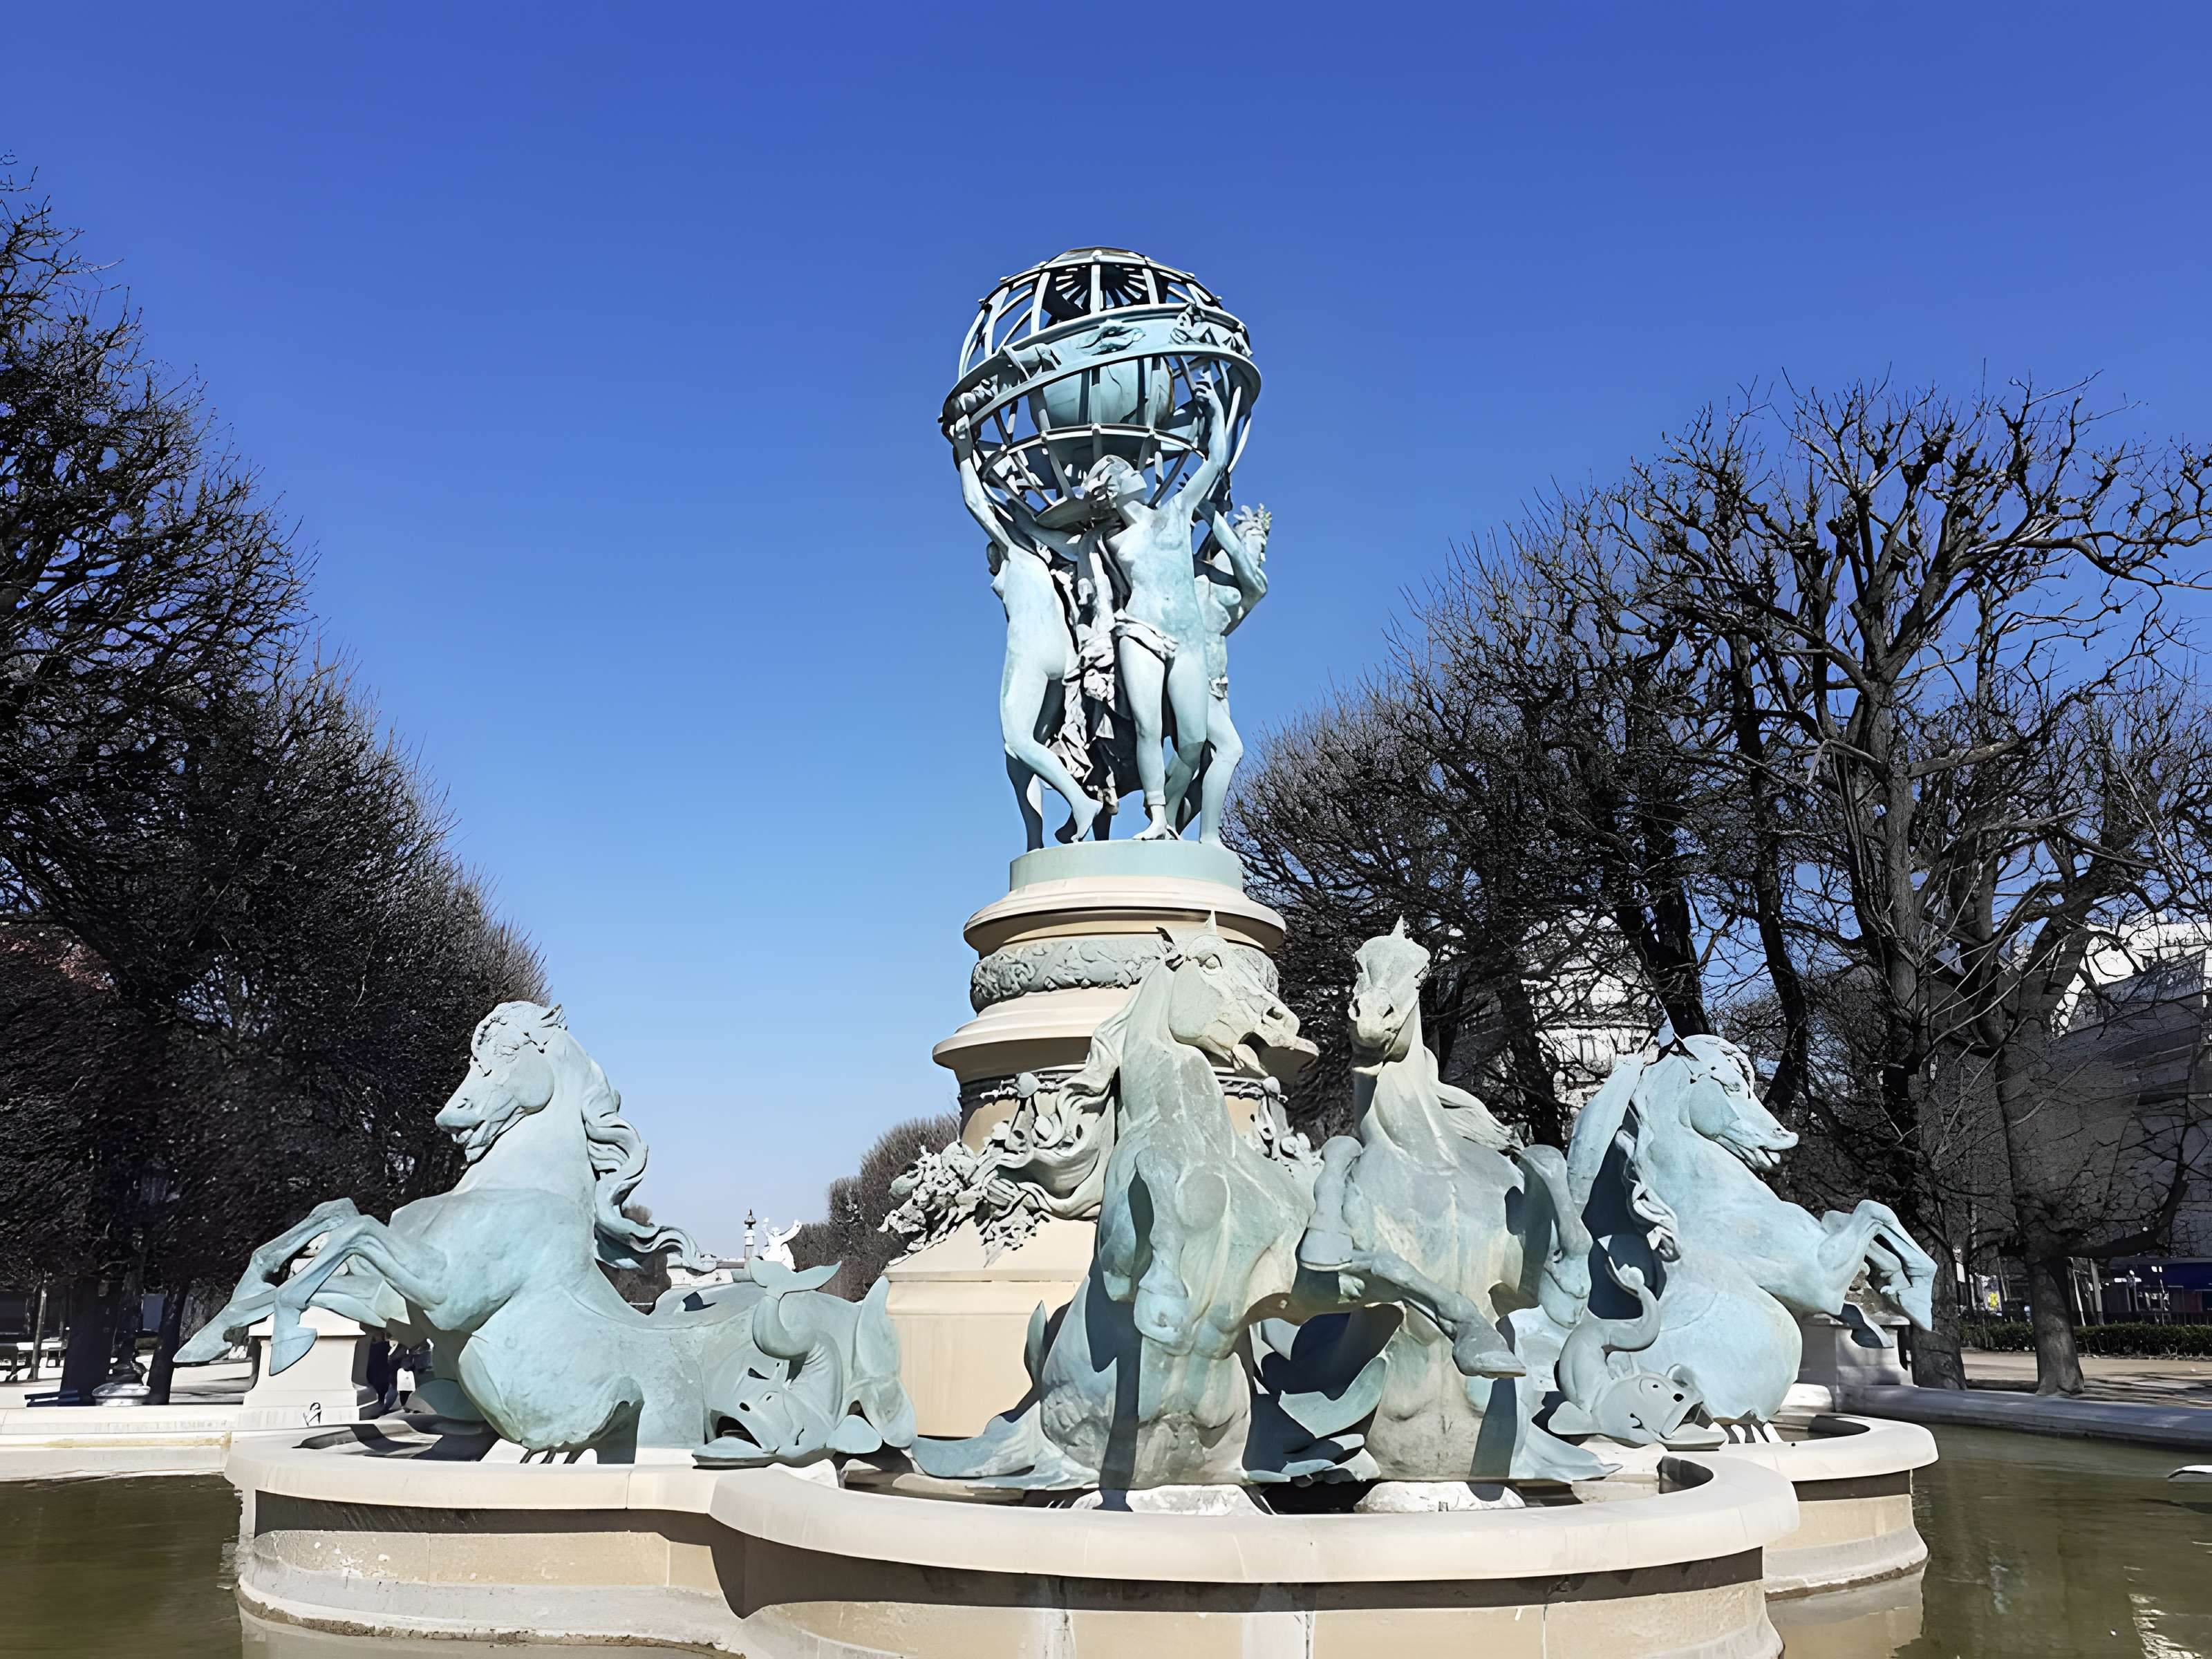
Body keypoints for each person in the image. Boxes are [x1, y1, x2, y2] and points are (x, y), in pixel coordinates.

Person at [1081, 374, 1237, 840]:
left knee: (1191, 742)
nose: (1138, 474)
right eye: (1128, 473)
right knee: (1149, 730)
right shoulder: (1108, 541)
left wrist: (1213, 415)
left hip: (1188, 639)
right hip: (1139, 632)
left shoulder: (1175, 511)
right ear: (1112, 488)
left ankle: (1168, 812)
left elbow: (1217, 461)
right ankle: (1157, 821)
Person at [952, 415, 1102, 847]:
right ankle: (1035, 843)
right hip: (1064, 656)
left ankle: (1080, 801)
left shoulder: (1017, 556)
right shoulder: (1042, 557)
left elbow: (978, 506)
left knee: (1016, 739)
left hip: (1032, 653)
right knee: (1019, 755)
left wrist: (965, 454)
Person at [1177, 501, 1270, 844]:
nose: (1261, 555)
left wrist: (1209, 511)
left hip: (1218, 681)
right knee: (1230, 750)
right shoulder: (1200, 568)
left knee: (1208, 765)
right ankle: (1209, 838)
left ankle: (1171, 828)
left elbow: (1233, 549)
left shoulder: (1253, 583)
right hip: (1189, 669)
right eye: (1258, 543)